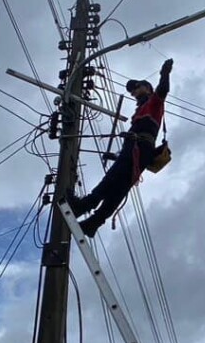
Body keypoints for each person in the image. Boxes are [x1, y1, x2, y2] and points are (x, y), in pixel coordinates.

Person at [68, 58, 173, 235]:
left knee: (112, 178)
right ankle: (94, 222)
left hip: (139, 147)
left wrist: (164, 73)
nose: (134, 92)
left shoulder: (154, 102)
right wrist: (116, 155)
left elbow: (163, 90)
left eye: (137, 88)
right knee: (118, 187)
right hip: (137, 149)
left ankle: (85, 205)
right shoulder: (141, 109)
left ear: (147, 87)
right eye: (132, 91)